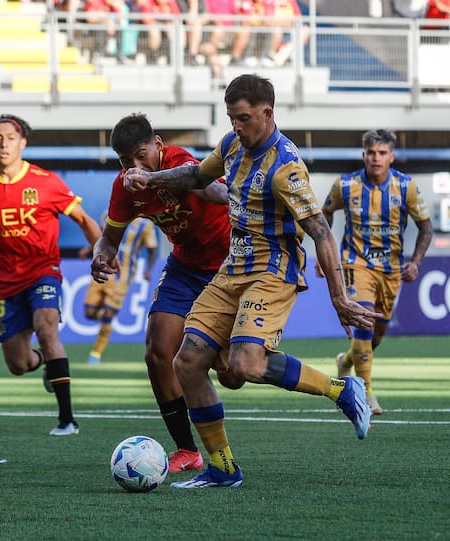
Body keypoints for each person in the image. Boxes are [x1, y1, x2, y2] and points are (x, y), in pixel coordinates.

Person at [112, 74, 381, 489]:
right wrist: (151, 179)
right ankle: (222, 468)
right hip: (232, 268)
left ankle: (341, 389)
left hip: (272, 270)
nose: (236, 125)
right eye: (231, 117)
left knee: (244, 366)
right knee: (186, 362)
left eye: (243, 118)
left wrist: (340, 298)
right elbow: (196, 177)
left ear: (267, 113)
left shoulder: (286, 168)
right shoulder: (232, 145)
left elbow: (322, 230)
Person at [0, 114, 102, 436]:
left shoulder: (47, 182)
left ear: (23, 143)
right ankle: (46, 361)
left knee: (47, 328)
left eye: (11, 137)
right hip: (4, 285)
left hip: (44, 272)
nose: (4, 144)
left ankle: (66, 419)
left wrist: (102, 254)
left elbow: (85, 220)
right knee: (18, 364)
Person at [91, 112, 231, 474]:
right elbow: (109, 237)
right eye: (126, 162)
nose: (134, 167)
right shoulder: (125, 187)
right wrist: (102, 255)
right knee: (157, 352)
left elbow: (206, 185)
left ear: (157, 145)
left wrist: (226, 192)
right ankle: (187, 450)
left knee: (234, 374)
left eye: (141, 156)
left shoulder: (178, 161)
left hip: (229, 265)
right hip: (185, 267)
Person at [320, 129, 433, 416]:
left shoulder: (406, 187)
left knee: (376, 335)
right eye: (371, 153)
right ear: (364, 155)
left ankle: (345, 362)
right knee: (365, 324)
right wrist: (325, 254)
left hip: (391, 270)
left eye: (382, 153)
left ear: (391, 156)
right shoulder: (345, 185)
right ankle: (366, 394)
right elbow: (324, 215)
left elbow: (426, 226)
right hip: (355, 263)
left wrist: (417, 261)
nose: (376, 158)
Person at [82, 216, 158, 364]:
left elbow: (152, 249)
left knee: (109, 314)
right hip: (103, 268)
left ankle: (95, 353)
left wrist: (148, 270)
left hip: (123, 275)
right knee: (89, 313)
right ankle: (105, 318)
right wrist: (88, 250)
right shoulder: (111, 213)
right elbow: (101, 237)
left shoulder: (145, 224)